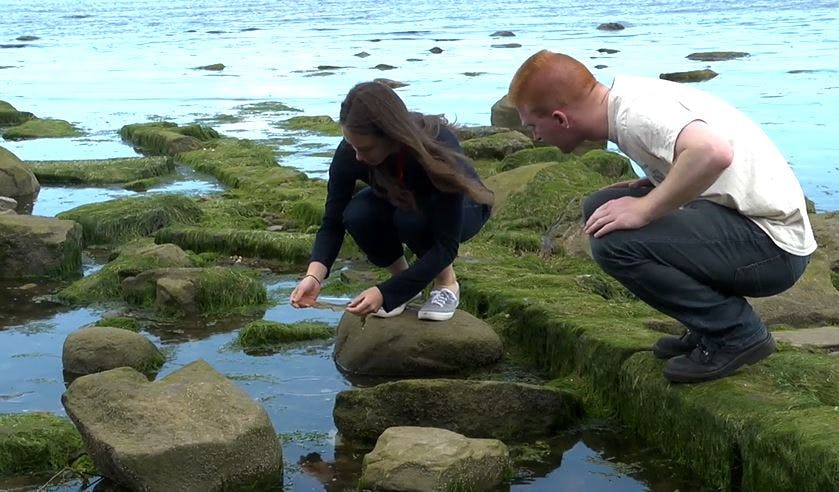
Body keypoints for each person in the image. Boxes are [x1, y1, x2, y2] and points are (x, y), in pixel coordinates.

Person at [507, 50, 816, 383]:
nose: (534, 136)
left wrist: (646, 207)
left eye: (532, 126)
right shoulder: (626, 100)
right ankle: (706, 325)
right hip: (750, 228)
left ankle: (737, 333)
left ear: (560, 119)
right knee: (601, 207)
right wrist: (661, 182)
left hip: (774, 249)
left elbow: (713, 152)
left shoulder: (635, 115)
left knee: (613, 244)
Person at [290, 81, 493, 321]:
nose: (357, 156)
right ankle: (405, 283)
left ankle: (447, 285)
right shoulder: (352, 152)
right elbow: (333, 221)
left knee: (411, 219)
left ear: (391, 135)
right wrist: (313, 277)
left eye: (365, 148)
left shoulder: (437, 145)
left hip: (464, 207)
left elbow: (446, 247)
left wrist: (383, 294)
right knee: (357, 214)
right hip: (401, 198)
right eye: (352, 145)